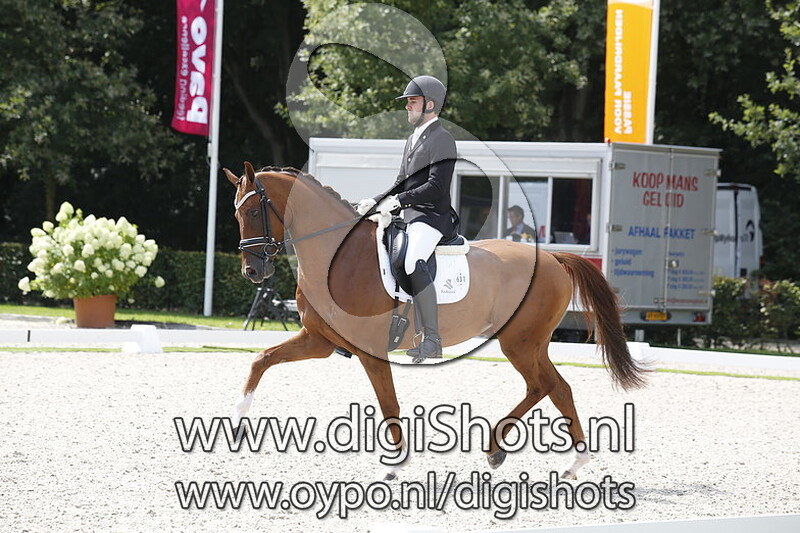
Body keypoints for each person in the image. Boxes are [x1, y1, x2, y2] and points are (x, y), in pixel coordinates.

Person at [355, 75, 458, 360]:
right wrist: (376, 201)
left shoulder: (443, 139)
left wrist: (400, 200)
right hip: (409, 215)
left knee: (413, 260)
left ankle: (432, 340)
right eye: (408, 102)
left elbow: (437, 186)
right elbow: (401, 182)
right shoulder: (412, 139)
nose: (407, 107)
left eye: (412, 102)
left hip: (432, 217)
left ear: (430, 105)